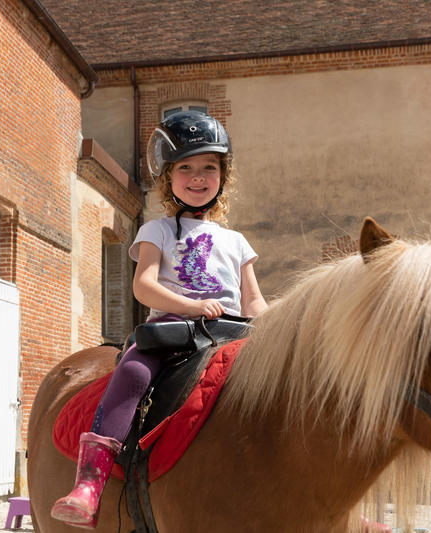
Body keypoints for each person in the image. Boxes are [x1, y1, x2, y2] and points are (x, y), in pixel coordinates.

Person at [51, 110, 268, 528]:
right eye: (185, 167)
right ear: (168, 177)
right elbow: (144, 286)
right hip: (171, 331)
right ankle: (90, 483)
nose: (198, 176)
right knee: (132, 372)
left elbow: (254, 300)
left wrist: (281, 327)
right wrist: (190, 306)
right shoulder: (158, 230)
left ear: (224, 175)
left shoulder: (236, 241)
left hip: (230, 335)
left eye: (209, 167)